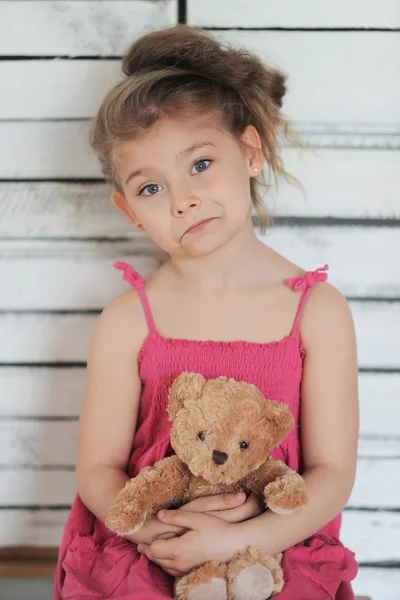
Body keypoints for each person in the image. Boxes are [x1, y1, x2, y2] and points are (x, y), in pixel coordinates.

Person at [53, 24, 359, 600]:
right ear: (128, 211)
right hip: (146, 545)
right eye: (150, 189)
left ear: (249, 152)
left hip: (278, 547)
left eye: (199, 165)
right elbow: (98, 469)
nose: (182, 200)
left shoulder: (316, 311)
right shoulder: (128, 320)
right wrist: (160, 535)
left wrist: (235, 543)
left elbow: (332, 474)